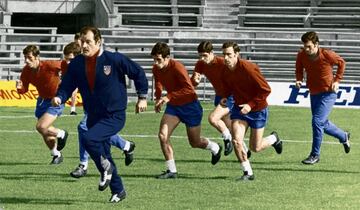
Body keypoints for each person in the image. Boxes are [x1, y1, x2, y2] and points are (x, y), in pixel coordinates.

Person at [52, 26, 148, 203]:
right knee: (104, 154)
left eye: (88, 41)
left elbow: (138, 73)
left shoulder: (113, 59)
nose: (84, 45)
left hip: (114, 115)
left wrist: (142, 97)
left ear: (98, 41)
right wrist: (60, 96)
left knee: (88, 139)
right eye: (81, 41)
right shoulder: (77, 64)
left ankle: (106, 170)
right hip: (94, 115)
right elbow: (66, 86)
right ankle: (118, 191)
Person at [61, 42, 137, 178]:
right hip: (91, 107)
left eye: (71, 59)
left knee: (83, 128)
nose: (67, 62)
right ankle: (126, 146)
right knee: (97, 132)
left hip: (103, 107)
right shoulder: (75, 67)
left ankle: (83, 165)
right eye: (66, 59)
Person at [151, 42, 222, 179]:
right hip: (174, 107)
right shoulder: (156, 68)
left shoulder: (177, 67)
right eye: (154, 59)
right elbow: (158, 81)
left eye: (158, 59)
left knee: (195, 143)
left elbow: (188, 89)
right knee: (162, 136)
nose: (156, 63)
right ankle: (172, 171)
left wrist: (168, 97)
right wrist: (158, 98)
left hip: (190, 107)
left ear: (167, 58)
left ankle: (214, 147)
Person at [220, 41, 283, 181]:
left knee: (256, 147)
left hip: (257, 110)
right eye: (224, 55)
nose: (225, 58)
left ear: (237, 55)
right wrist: (225, 96)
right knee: (236, 141)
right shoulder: (225, 70)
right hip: (239, 110)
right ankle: (247, 173)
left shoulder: (249, 68)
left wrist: (250, 105)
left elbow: (266, 90)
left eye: (229, 55)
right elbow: (227, 86)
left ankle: (274, 139)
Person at [295, 31, 350, 165]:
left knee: (317, 122)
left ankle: (315, 155)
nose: (307, 49)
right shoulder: (302, 55)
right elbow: (299, 67)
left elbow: (342, 63)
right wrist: (299, 79)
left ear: (316, 44)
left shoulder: (327, 54)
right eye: (305, 46)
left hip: (328, 93)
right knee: (322, 123)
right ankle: (343, 136)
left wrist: (337, 80)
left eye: (309, 46)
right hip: (314, 93)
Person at [191, 41, 251, 157]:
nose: (202, 59)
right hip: (220, 96)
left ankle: (227, 139)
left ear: (212, 53)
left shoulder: (222, 63)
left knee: (213, 119)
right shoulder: (200, 64)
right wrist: (195, 80)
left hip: (231, 96)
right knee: (230, 127)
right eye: (200, 56)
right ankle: (247, 150)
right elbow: (193, 83)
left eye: (205, 56)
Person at [16, 45, 69, 164]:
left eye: (29, 57)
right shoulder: (26, 70)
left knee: (41, 126)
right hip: (41, 101)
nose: (26, 60)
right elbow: (24, 89)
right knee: (44, 131)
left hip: (55, 101)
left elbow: (65, 65)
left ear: (37, 57)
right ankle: (56, 154)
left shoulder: (49, 65)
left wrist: (66, 79)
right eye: (25, 57)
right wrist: (20, 88)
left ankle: (62, 134)